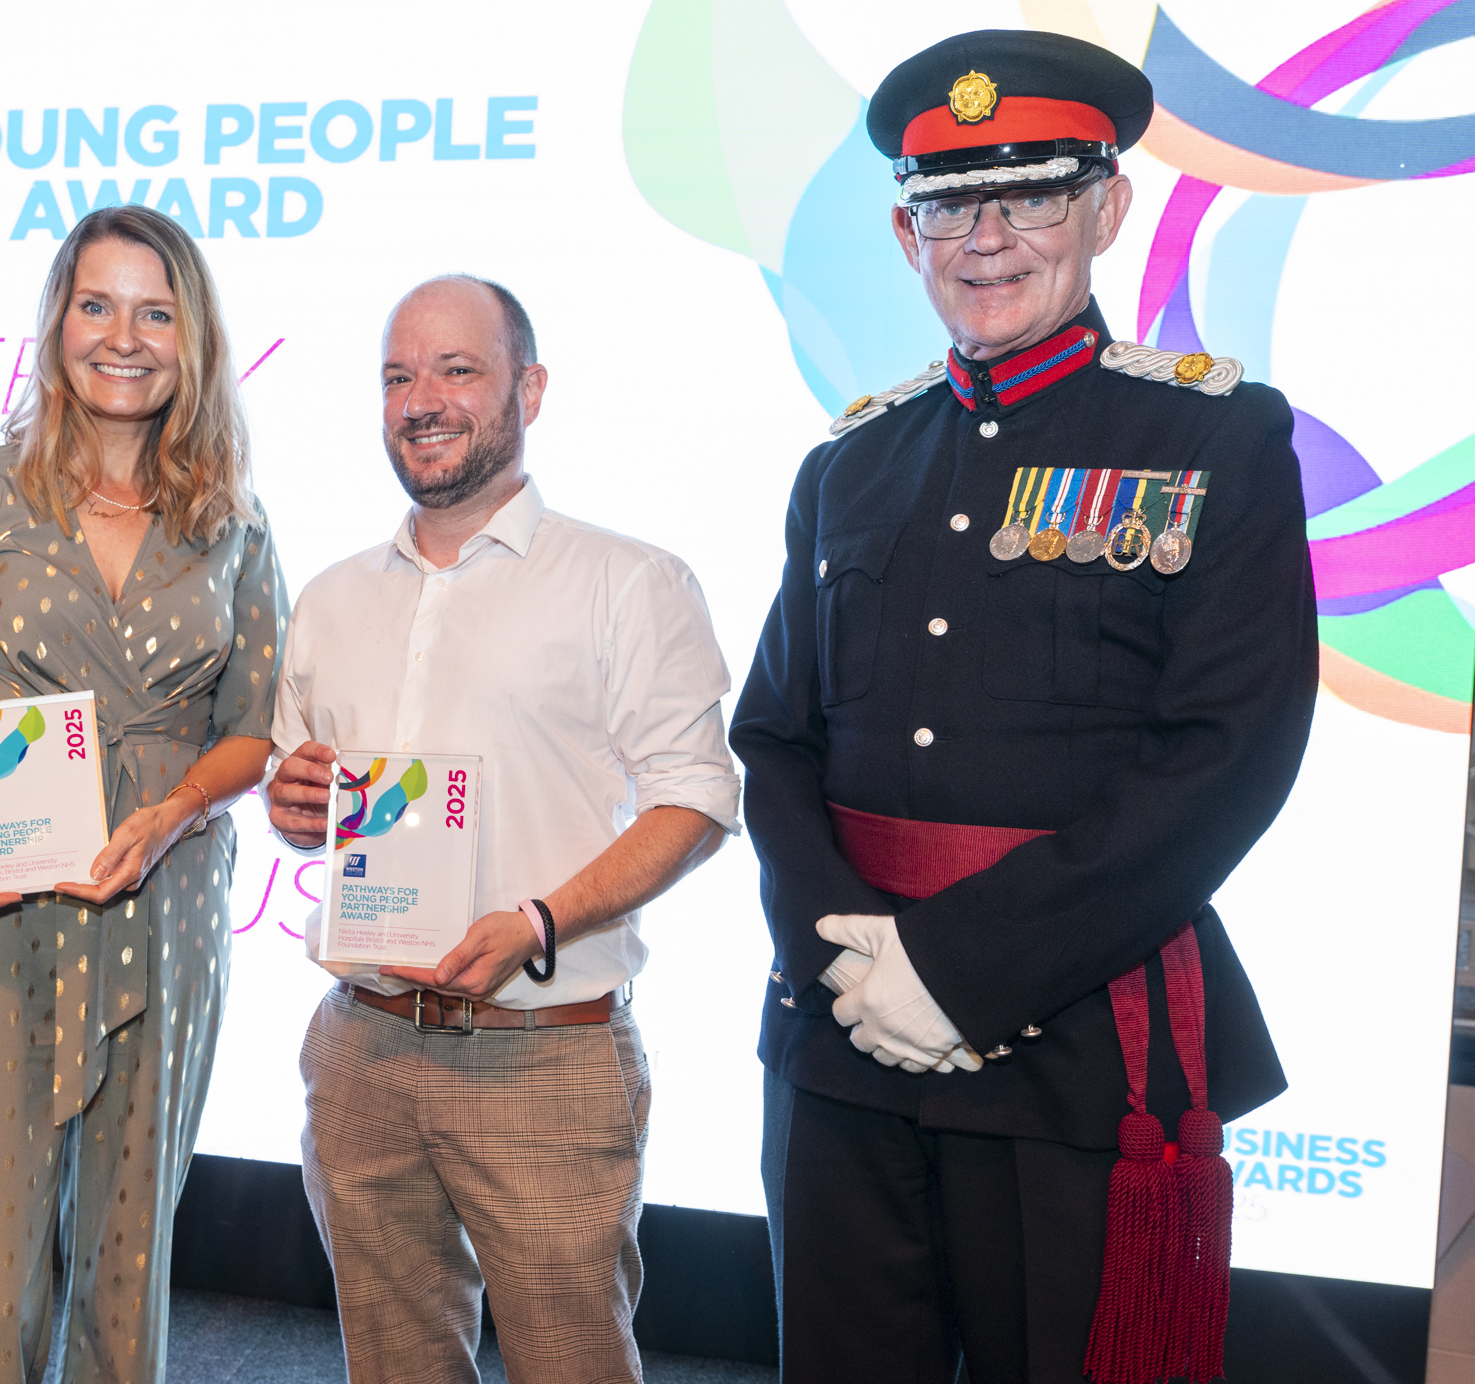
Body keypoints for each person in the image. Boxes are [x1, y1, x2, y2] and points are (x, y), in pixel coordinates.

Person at [730, 29, 1317, 1384]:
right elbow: (773, 736)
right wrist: (850, 960)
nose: (983, 237)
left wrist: (956, 971)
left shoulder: (1211, 439)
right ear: (903, 229)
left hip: (1072, 1047)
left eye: (1030, 192)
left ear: (1105, 206)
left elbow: (1226, 754)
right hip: (842, 1042)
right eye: (946, 202)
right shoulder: (850, 464)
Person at [266, 274, 740, 1384]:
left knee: (572, 1364)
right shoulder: (332, 598)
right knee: (391, 1366)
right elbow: (309, 797)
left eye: (456, 369)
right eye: (398, 376)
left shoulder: (627, 581)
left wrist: (538, 917)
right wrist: (293, 808)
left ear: (528, 387)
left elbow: (698, 799)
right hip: (364, 1044)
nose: (421, 400)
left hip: (546, 1050)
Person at [0, 203, 286, 1384]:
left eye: (156, 311)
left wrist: (174, 811)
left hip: (166, 910)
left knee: (122, 1276)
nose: (123, 335)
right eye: (97, 304)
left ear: (191, 338)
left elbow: (256, 729)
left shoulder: (235, 522)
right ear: (57, 323)